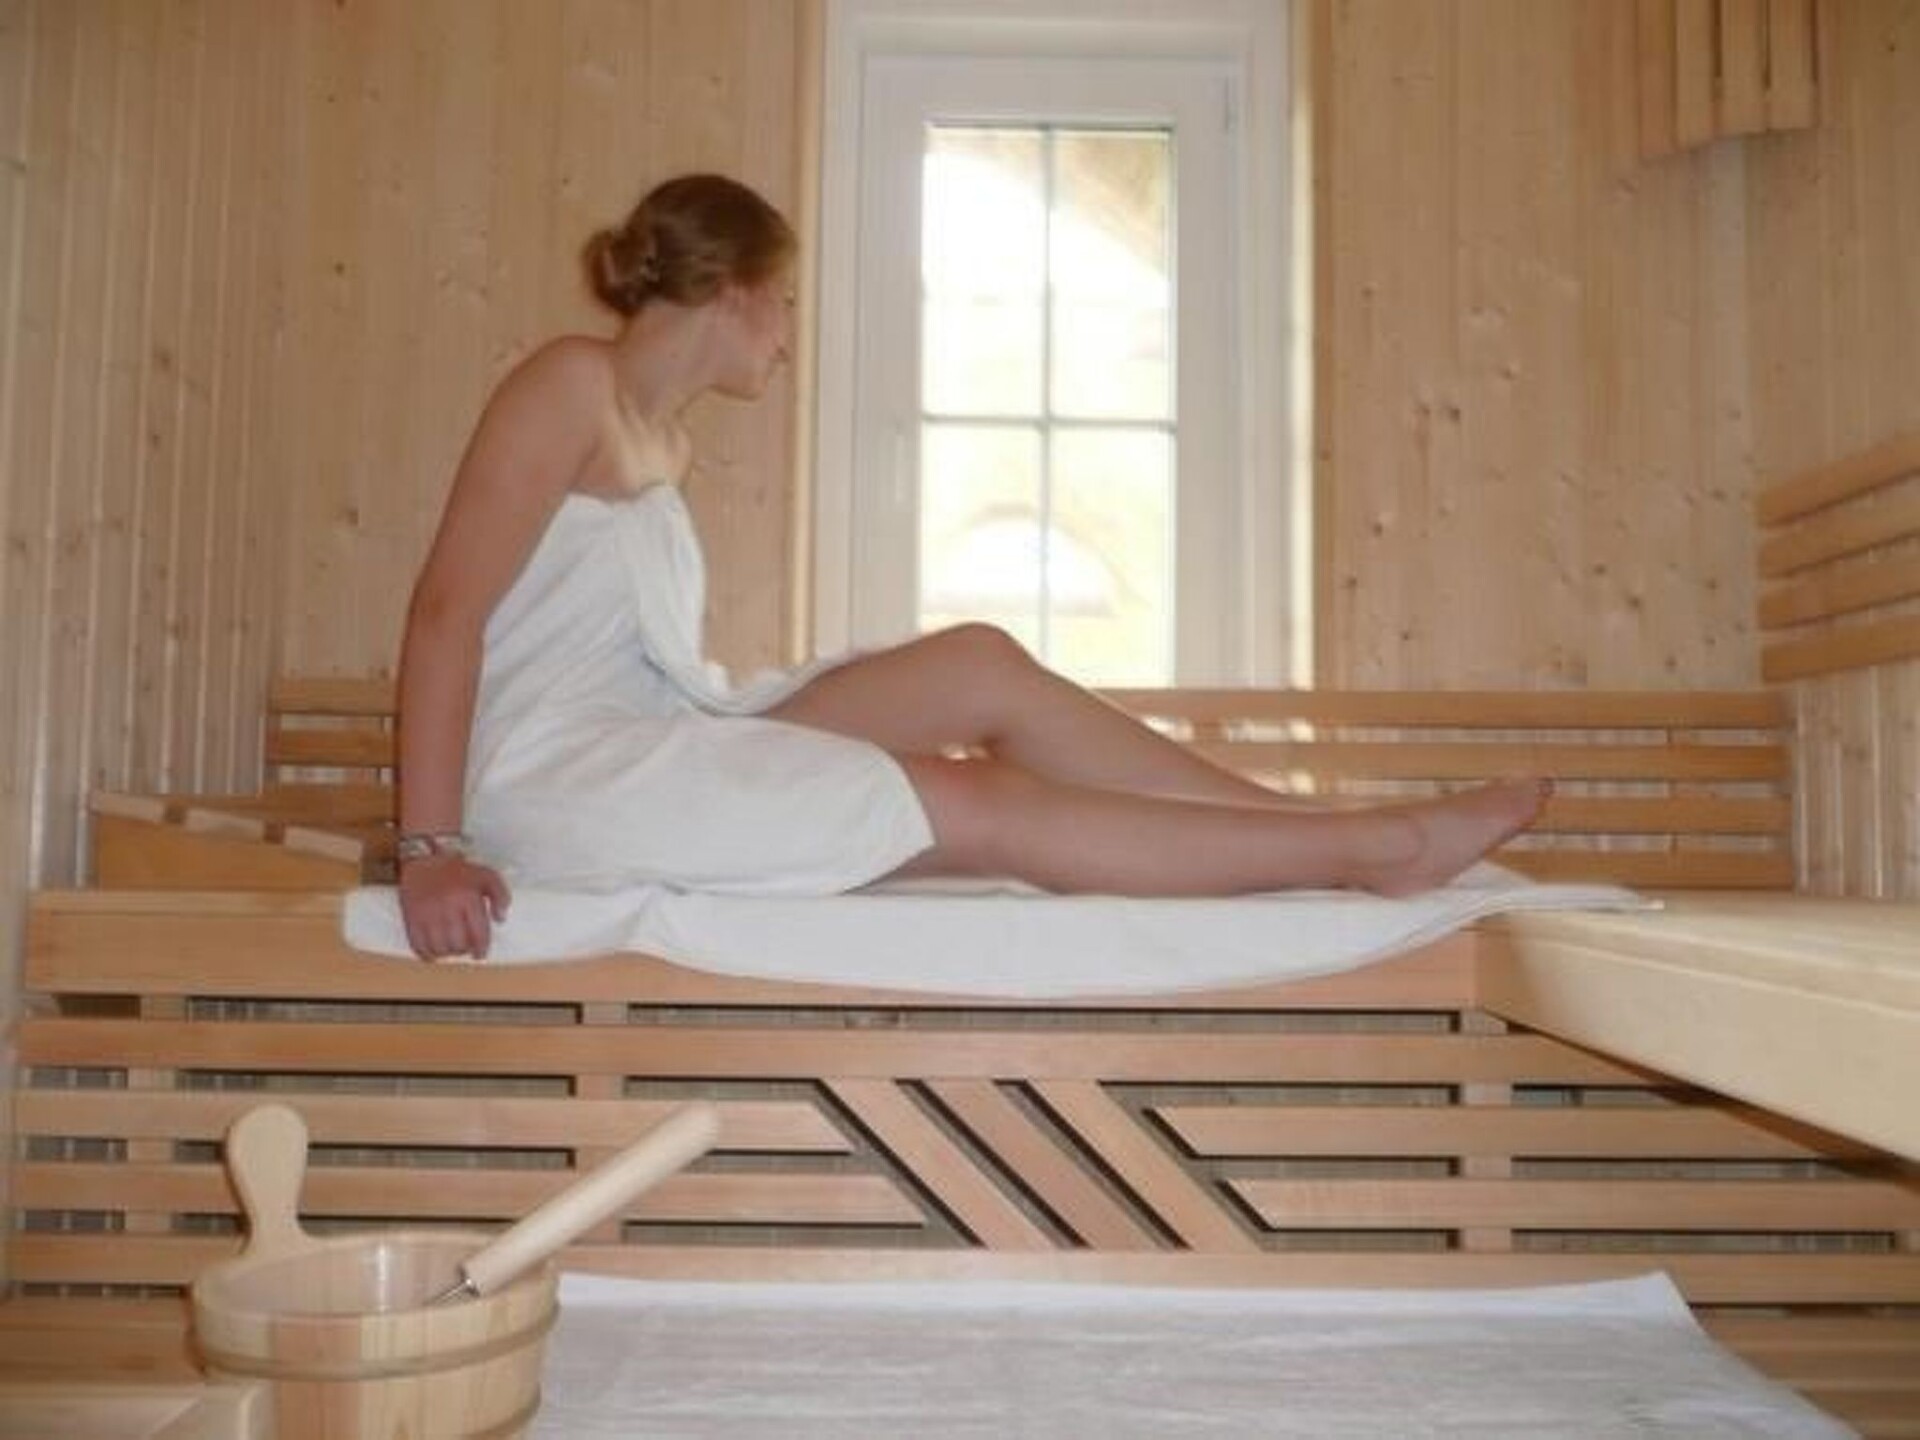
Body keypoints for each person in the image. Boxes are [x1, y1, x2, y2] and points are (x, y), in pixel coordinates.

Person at [395, 173, 1547, 962]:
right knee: (972, 800)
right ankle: (1375, 850)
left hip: (659, 733)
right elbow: (446, 614)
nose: (787, 334)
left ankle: (1319, 838)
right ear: (736, 289)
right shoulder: (570, 383)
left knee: (980, 663)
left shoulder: (667, 442)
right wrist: (431, 849)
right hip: (559, 779)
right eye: (783, 301)